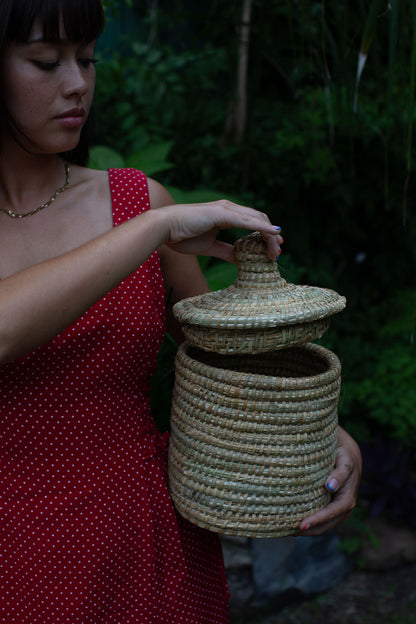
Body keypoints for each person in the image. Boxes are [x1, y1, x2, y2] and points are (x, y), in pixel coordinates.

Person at [0, 0, 362, 622]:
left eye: (87, 60)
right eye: (45, 61)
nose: (78, 84)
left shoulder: (134, 200)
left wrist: (322, 434)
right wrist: (156, 227)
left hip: (143, 534)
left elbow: (232, 362)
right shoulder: (149, 220)